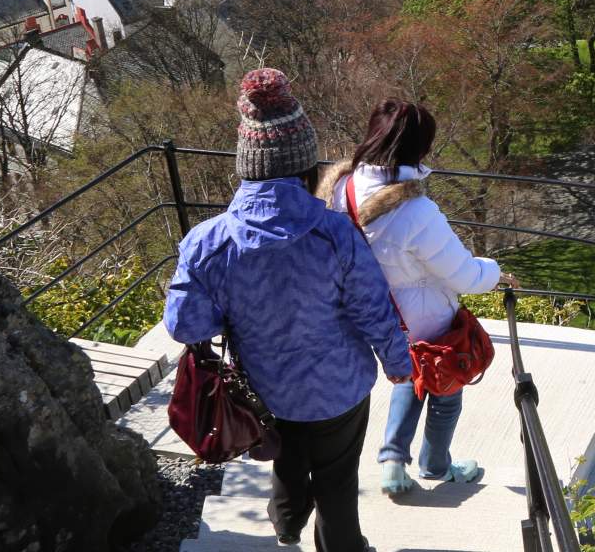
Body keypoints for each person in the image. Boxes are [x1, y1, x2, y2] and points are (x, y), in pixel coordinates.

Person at [165, 69, 412, 552]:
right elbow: (372, 309)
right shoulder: (335, 233)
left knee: (289, 451)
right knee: (336, 477)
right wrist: (398, 363)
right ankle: (343, 546)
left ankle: (286, 522)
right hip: (338, 385)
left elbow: (184, 324)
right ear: (306, 168)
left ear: (247, 166)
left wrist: (236, 305)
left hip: (264, 386)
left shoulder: (207, 242)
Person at [317, 99, 517, 496]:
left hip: (364, 310)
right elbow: (463, 274)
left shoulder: (340, 188)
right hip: (420, 317)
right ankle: (436, 465)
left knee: (408, 374)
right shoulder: (415, 210)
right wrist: (494, 273)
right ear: (419, 148)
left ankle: (393, 461)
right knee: (445, 384)